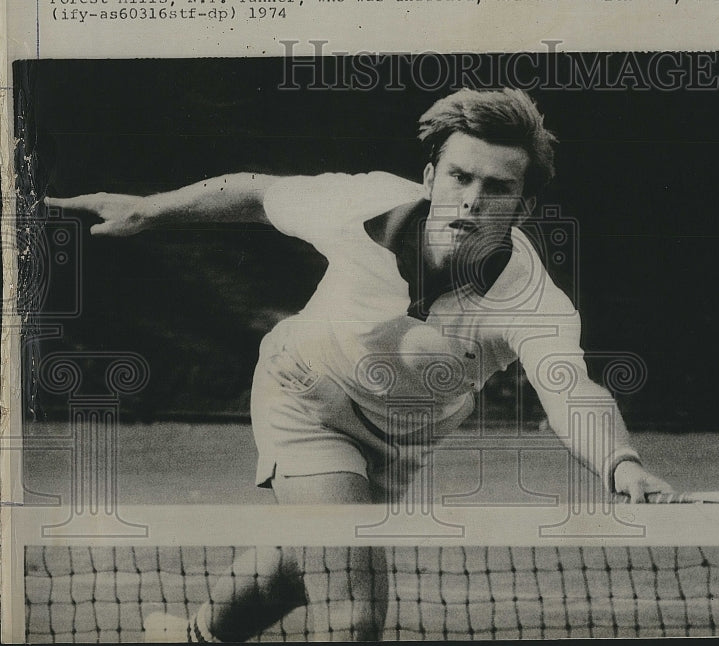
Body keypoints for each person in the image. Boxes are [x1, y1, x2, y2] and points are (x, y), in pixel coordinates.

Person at [48, 87, 672, 642]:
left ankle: (193, 637)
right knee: (352, 614)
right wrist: (148, 209)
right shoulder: (363, 206)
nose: (472, 200)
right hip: (307, 398)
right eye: (460, 177)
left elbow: (572, 391)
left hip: (401, 440)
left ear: (525, 208)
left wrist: (622, 464)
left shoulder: (532, 300)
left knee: (297, 568)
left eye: (499, 187)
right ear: (431, 177)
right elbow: (258, 193)